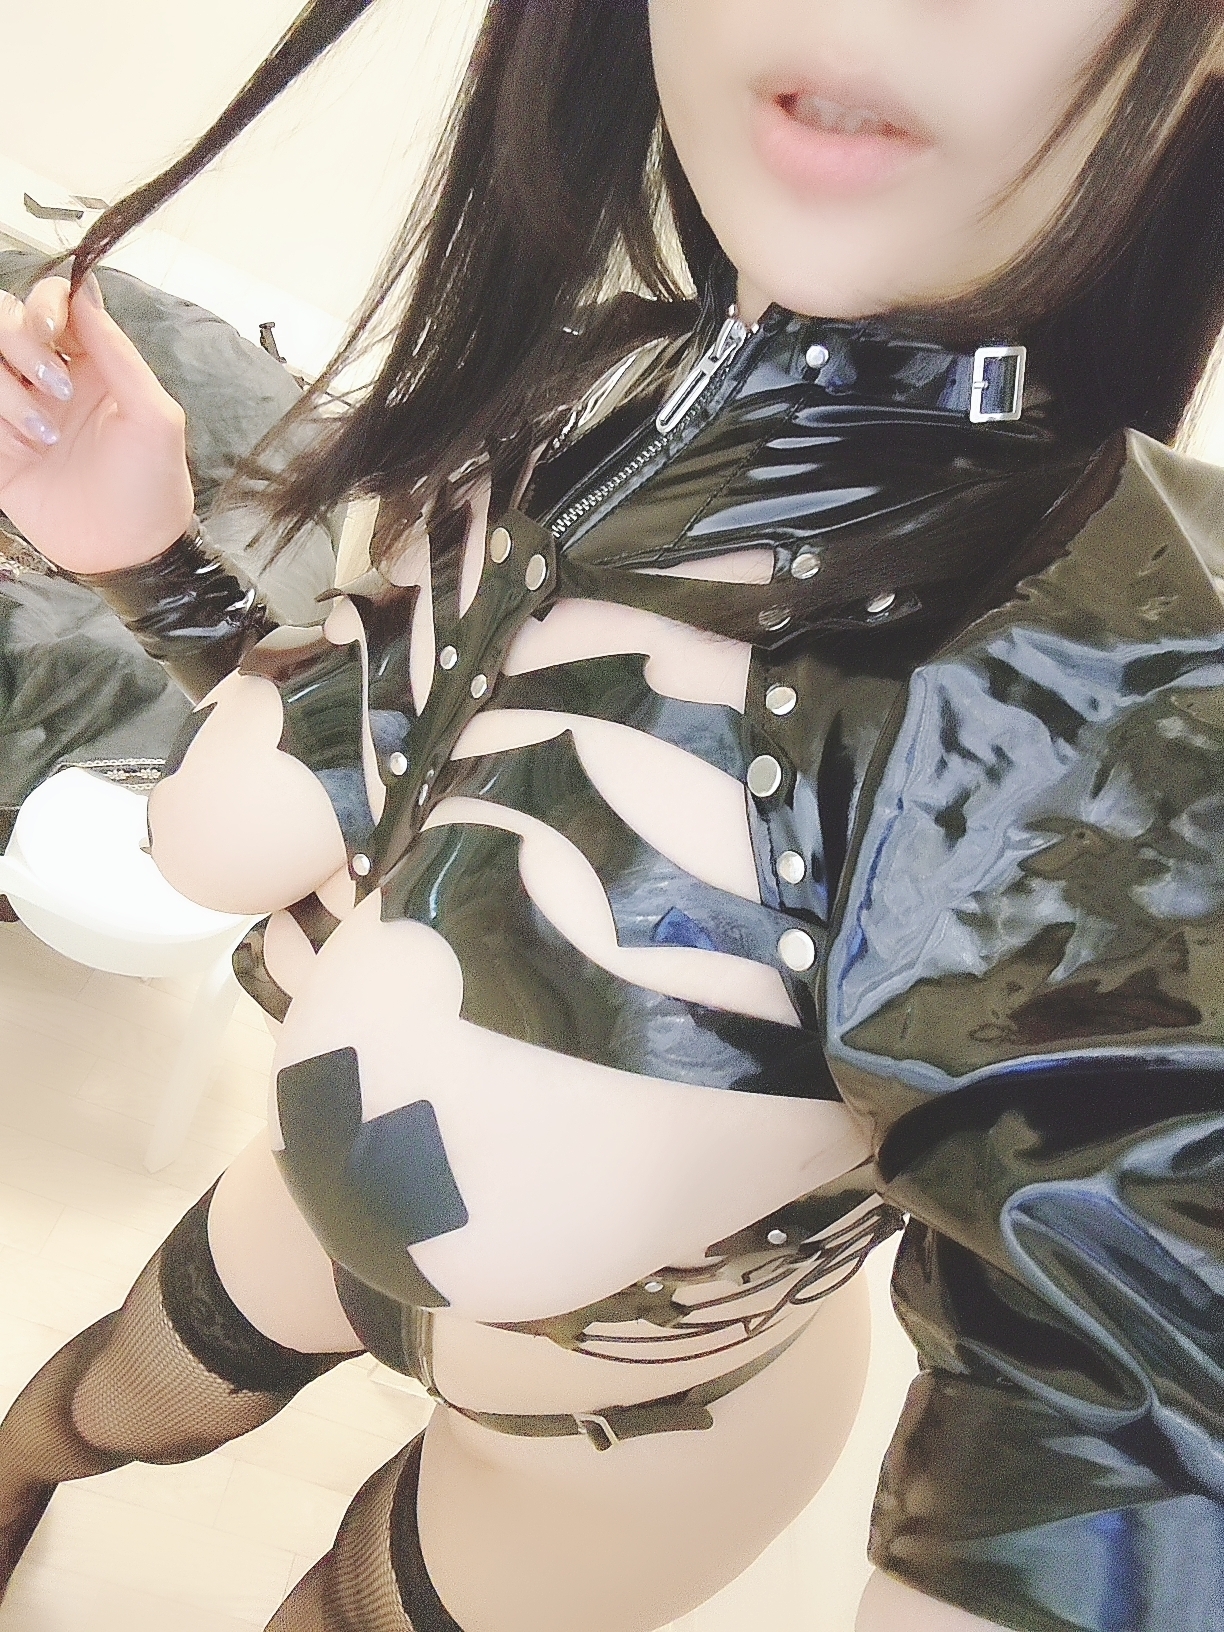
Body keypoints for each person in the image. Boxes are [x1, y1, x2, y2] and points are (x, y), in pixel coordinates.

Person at [0, 1, 1222, 1628]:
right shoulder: (587, 391)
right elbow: (361, 766)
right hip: (311, 1205)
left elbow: (1136, 1439)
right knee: (84, 1413)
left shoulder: (1122, 705)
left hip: (623, 1441)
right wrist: (150, 563)